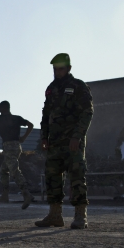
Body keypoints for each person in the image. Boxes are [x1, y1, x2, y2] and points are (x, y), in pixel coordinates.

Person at [35, 53, 93, 230]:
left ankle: (80, 216)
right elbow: (45, 115)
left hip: (72, 141)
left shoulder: (78, 86)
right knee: (52, 177)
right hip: (54, 142)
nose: (57, 72)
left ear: (68, 68)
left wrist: (77, 136)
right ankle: (55, 215)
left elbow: (87, 113)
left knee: (76, 176)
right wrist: (44, 137)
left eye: (60, 68)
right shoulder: (51, 89)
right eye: (54, 69)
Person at [0, 101, 34, 209]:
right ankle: (5, 195)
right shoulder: (17, 118)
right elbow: (30, 125)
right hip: (17, 146)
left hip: (8, 146)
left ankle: (26, 193)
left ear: (1, 108)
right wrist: (23, 137)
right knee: (3, 170)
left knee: (14, 171)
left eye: (0, 108)